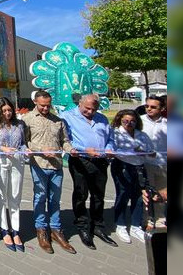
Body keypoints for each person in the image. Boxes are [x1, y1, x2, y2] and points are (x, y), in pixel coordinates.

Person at [23, 90, 76, 254]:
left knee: (55, 199)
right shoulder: (27, 120)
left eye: (48, 105)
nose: (46, 108)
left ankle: (56, 229)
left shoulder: (58, 121)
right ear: (35, 103)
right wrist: (40, 150)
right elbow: (25, 143)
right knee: (40, 197)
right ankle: (41, 229)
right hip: (39, 165)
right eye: (42, 106)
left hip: (56, 166)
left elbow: (64, 141)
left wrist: (69, 149)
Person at [62, 94, 118, 249]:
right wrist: (83, 150)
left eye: (94, 109)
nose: (90, 112)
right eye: (87, 108)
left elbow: (111, 138)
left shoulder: (102, 119)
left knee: (98, 195)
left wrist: (109, 149)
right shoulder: (67, 117)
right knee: (81, 194)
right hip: (81, 160)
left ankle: (98, 226)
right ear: (80, 104)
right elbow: (64, 140)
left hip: (100, 161)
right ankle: (82, 226)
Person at [0, 97, 26, 252]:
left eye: (9, 110)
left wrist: (24, 150)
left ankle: (15, 230)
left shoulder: (19, 124)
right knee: (1, 196)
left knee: (15, 195)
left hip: (17, 161)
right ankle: (4, 229)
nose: (7, 113)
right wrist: (2, 149)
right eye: (4, 111)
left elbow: (23, 143)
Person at [111, 110, 155, 244]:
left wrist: (146, 152)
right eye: (125, 121)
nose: (129, 124)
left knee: (140, 197)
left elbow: (151, 152)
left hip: (140, 167)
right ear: (120, 120)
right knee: (123, 195)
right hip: (123, 166)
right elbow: (113, 151)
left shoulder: (142, 135)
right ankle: (120, 225)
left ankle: (136, 226)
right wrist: (132, 151)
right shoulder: (116, 133)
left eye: (132, 121)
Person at [140, 94, 167, 228]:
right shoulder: (139, 122)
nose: (149, 109)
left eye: (153, 107)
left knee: (161, 194)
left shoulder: (167, 124)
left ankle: (160, 219)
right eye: (147, 106)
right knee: (147, 194)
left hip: (163, 164)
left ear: (162, 108)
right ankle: (147, 219)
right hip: (145, 164)